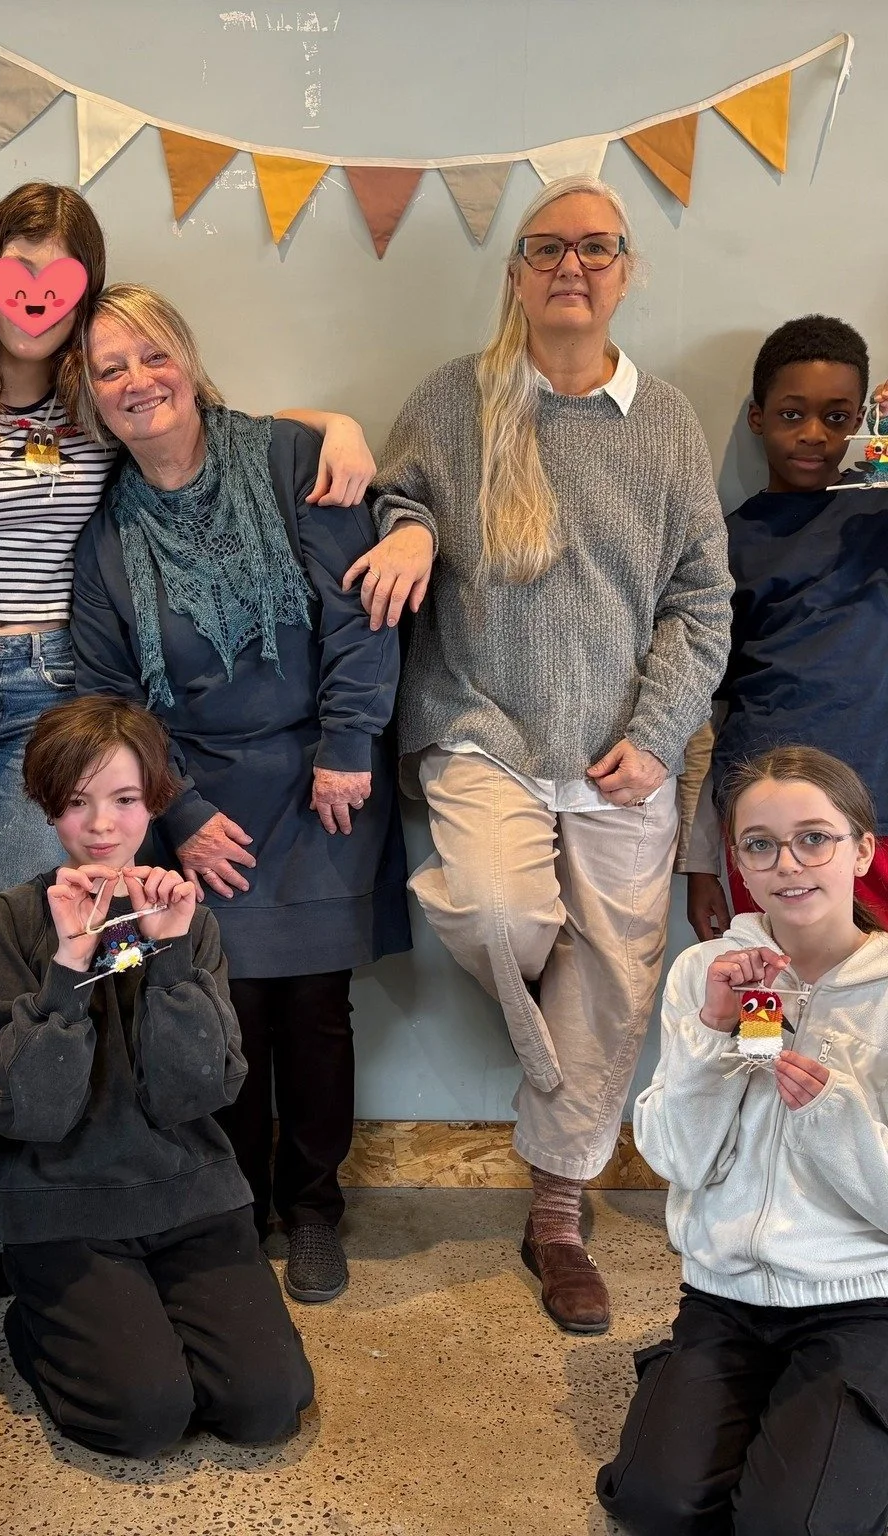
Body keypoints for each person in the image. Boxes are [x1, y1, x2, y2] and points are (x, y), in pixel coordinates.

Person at [0, 181, 382, 1292]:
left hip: (152, 730)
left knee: (124, 962)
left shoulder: (188, 436)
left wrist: (365, 454)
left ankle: (68, 1202)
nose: (131, 381)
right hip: (1, 713)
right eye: (19, 269)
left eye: (148, 357)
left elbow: (337, 499)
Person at [346, 174, 732, 1334]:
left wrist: (658, 736)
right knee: (503, 918)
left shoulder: (664, 422)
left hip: (622, 748)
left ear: (626, 274)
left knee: (616, 978)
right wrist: (406, 526)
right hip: (482, 725)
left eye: (596, 248)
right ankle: (549, 1059)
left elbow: (700, 603)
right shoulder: (455, 401)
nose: (572, 265)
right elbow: (390, 497)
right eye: (546, 247)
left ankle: (556, 1215)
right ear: (515, 274)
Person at [71, 284, 411, 1305]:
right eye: (109, 369)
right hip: (190, 793)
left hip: (323, 781)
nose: (137, 381)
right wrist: (173, 812)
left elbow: (362, 612)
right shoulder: (101, 538)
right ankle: (231, 1204)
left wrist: (349, 742)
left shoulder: (289, 458)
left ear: (188, 355)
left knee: (312, 1010)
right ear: (90, 396)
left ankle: (313, 1210)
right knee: (216, 1006)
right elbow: (109, 696)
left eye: (151, 354)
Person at [0, 695, 314, 1457]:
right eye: (76, 803)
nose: (102, 827)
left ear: (154, 801)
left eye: (125, 800)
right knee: (143, 1417)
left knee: (266, 1405)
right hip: (65, 1208)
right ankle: (36, 1324)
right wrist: (69, 968)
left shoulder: (184, 916)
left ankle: (156, 1319)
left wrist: (167, 961)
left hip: (191, 1198)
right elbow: (26, 1115)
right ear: (47, 807)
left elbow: (201, 1092)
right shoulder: (9, 920)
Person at [599, 746, 888, 1535]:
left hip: (861, 1303)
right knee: (652, 1503)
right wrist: (712, 1036)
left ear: (862, 848)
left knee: (790, 1525)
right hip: (726, 1296)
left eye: (815, 838)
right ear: (738, 861)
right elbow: (677, 1158)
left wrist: (834, 1116)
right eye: (759, 843)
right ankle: (746, 1404)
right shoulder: (708, 972)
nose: (787, 863)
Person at [684, 316, 888, 942]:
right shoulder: (728, 542)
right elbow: (703, 711)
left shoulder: (878, 515)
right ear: (757, 416)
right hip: (767, 823)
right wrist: (699, 861)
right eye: (792, 414)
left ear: (859, 422)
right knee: (770, 1005)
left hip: (878, 813)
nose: (813, 436)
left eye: (835, 417)